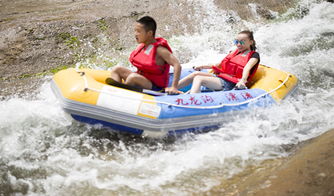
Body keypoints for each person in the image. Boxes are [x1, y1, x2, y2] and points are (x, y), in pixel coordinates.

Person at [107, 16, 182, 94]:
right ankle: (114, 92)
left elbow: (177, 65)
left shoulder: (160, 50)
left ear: (149, 33)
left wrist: (174, 87)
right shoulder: (143, 46)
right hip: (142, 79)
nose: (135, 34)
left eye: (139, 31)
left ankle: (121, 95)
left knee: (133, 77)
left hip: (156, 87)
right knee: (117, 69)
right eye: (135, 31)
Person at [178, 30, 260, 93]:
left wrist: (243, 80)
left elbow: (247, 68)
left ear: (251, 42)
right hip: (221, 78)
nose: (238, 44)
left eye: (242, 42)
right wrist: (202, 66)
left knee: (199, 78)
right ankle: (172, 88)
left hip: (231, 84)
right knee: (195, 74)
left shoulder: (254, 55)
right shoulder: (235, 52)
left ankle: (192, 101)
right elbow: (219, 64)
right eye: (236, 42)